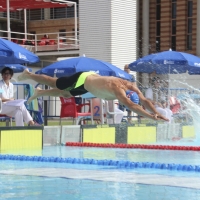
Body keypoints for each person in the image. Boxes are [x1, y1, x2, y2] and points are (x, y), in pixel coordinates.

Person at [17, 69, 169, 121]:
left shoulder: (132, 87)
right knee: (54, 82)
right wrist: (150, 118)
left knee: (65, 93)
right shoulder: (118, 89)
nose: (124, 101)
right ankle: (29, 74)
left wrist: (155, 113)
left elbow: (143, 101)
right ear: (127, 96)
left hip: (88, 86)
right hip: (82, 79)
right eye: (126, 99)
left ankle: (40, 92)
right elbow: (133, 106)